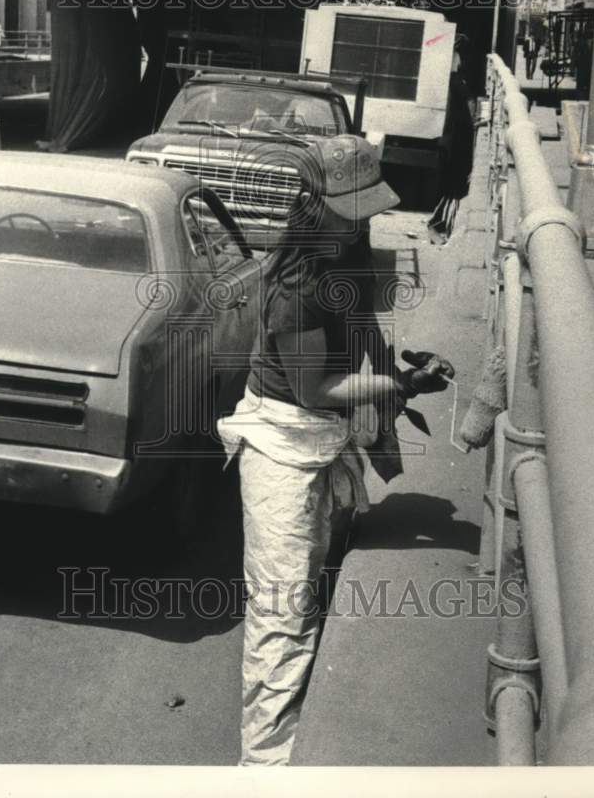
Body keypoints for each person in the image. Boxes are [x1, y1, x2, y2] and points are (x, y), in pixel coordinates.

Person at [218, 135, 455, 766]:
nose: (362, 221)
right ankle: (264, 766)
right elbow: (315, 388)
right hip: (283, 445)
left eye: (367, 209)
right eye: (352, 211)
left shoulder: (348, 251)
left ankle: (298, 739)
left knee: (308, 591)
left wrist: (399, 374)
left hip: (323, 435)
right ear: (314, 207)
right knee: (280, 614)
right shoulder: (294, 283)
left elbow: (363, 331)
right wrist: (399, 386)